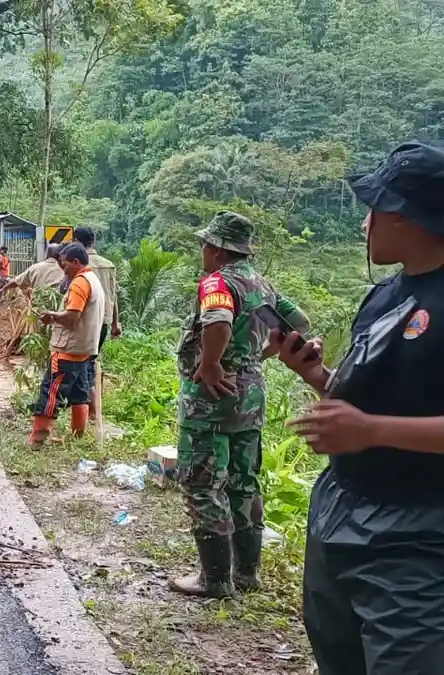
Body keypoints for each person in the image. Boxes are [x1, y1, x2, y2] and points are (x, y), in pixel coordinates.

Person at [274, 142, 444, 675]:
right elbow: (364, 402)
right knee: (337, 654)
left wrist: (370, 430)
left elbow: (368, 423)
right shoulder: (388, 294)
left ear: (408, 218)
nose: (367, 221)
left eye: (378, 208)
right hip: (341, 511)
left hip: (418, 535)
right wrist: (316, 376)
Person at [169, 211, 308, 600]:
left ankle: (214, 579)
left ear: (215, 249)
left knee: (202, 483)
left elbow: (218, 322)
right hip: (250, 394)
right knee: (243, 481)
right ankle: (247, 573)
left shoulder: (217, 281)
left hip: (213, 396)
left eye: (204, 246)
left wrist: (211, 364)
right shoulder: (263, 286)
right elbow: (299, 322)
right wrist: (262, 354)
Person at [28, 243, 105, 444]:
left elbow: (72, 318)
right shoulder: (93, 279)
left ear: (76, 262)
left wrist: (52, 316)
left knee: (50, 392)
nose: (63, 268)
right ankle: (78, 435)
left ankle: (38, 438)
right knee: (80, 393)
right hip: (84, 350)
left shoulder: (79, 283)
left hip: (68, 351)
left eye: (64, 264)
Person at [73, 227, 122, 419]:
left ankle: (90, 408)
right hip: (105, 320)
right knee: (90, 360)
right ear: (93, 242)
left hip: (84, 318)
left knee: (83, 363)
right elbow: (113, 295)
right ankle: (90, 406)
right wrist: (116, 324)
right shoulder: (108, 264)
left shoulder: (78, 263)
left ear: (76, 241)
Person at [1, 243, 65, 299]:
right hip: (60, 306)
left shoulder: (35, 267)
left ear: (46, 254)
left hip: (38, 306)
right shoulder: (66, 269)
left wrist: (3, 289)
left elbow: (16, 281)